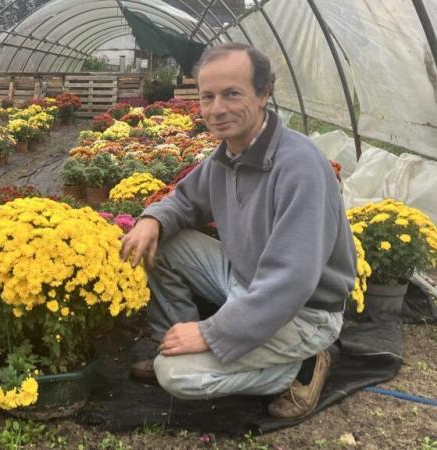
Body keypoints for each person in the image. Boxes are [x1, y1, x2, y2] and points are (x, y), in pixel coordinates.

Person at [120, 42, 357, 419]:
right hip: (244, 281)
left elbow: (290, 281)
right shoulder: (227, 158)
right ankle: (175, 340)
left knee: (175, 376)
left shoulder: (299, 166)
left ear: (264, 94)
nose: (217, 109)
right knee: (161, 241)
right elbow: (184, 201)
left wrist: (211, 334)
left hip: (303, 311)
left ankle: (302, 364)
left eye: (232, 94)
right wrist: (151, 220)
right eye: (208, 97)